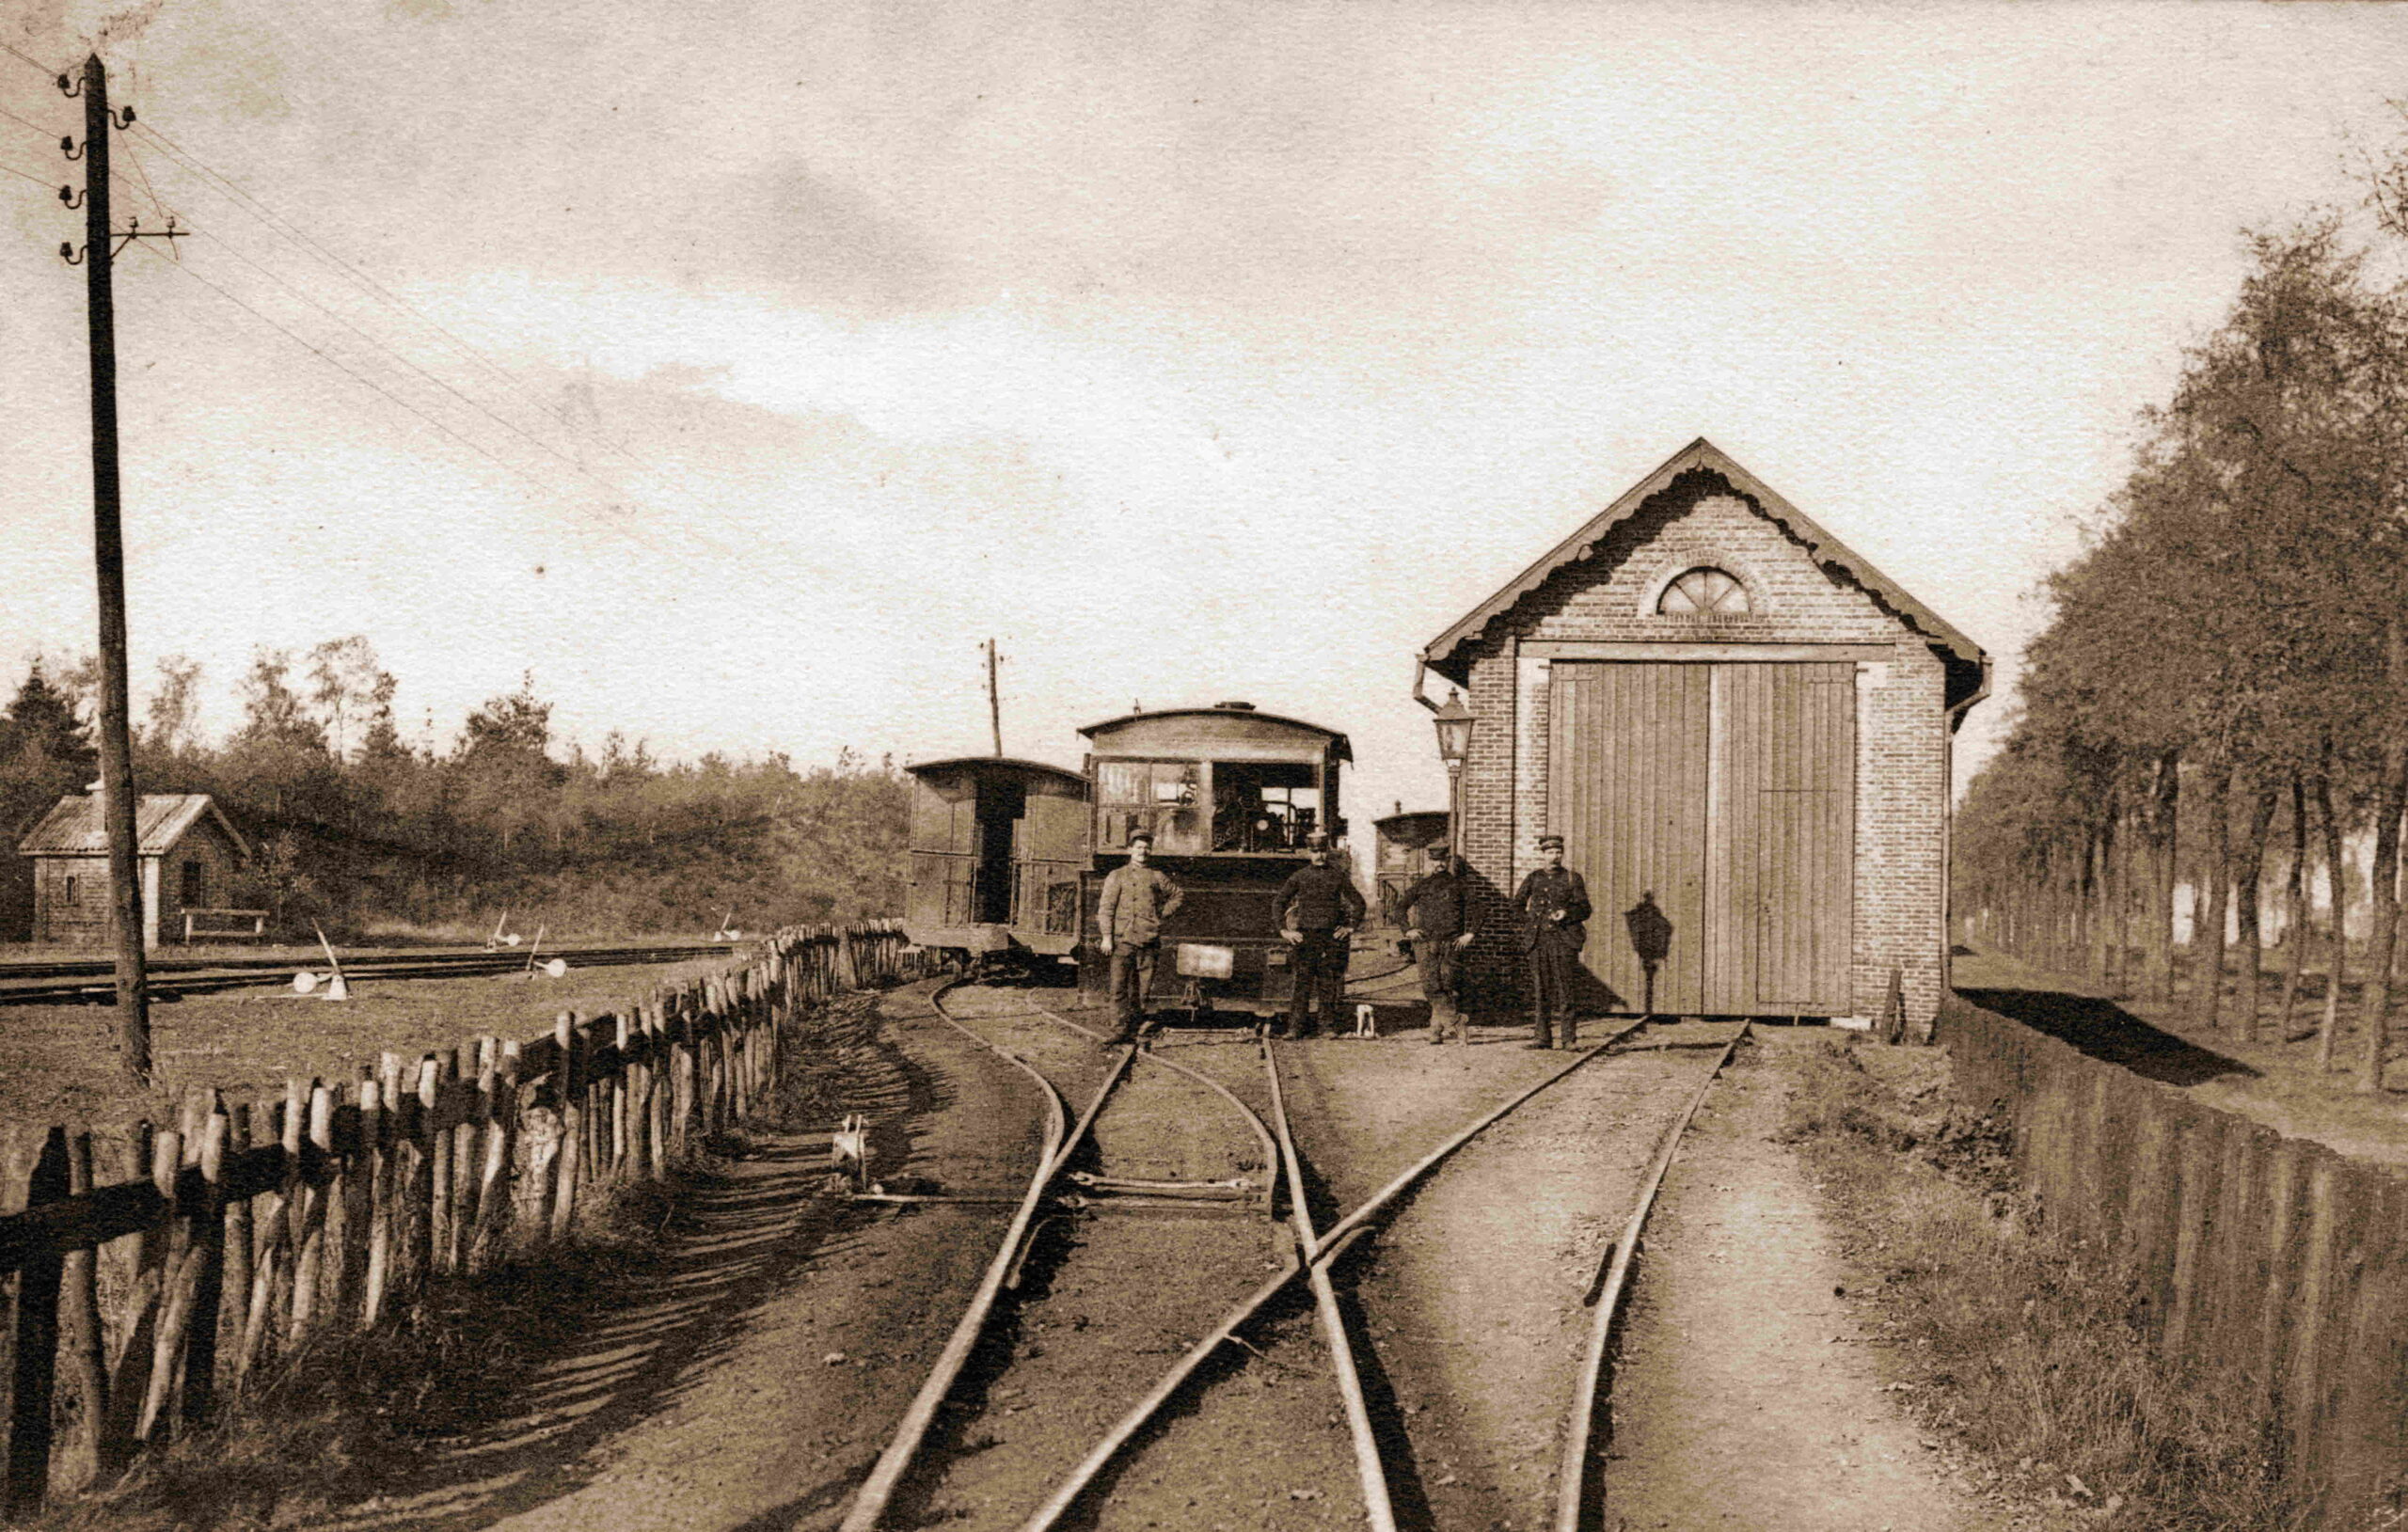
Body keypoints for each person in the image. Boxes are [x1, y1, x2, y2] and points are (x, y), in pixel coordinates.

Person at [1276, 830, 1365, 1038]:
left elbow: (1358, 902)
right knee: (1302, 985)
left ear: (1327, 852)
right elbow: (1278, 903)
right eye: (1315, 851)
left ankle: (1327, 1027)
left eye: (1323, 851)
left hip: (1330, 939)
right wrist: (1284, 931)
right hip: (1306, 938)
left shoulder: (1338, 876)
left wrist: (1350, 927)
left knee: (1328, 985)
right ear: (1309, 852)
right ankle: (1295, 1028)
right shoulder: (1300, 877)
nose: (1319, 856)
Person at [1097, 831, 1183, 1044]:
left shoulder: (1157, 876)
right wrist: (1107, 937)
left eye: (1146, 848)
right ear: (1130, 850)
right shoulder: (1116, 875)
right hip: (1122, 940)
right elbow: (1106, 908)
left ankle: (1135, 1027)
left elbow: (1177, 895)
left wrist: (1160, 914)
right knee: (1118, 988)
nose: (1142, 852)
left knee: (1142, 989)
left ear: (1150, 851)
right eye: (1138, 848)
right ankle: (1118, 1030)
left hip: (1148, 939)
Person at [1514, 832, 1591, 1049]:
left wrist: (1567, 913)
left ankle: (1569, 1039)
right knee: (1541, 990)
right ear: (1543, 855)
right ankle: (1542, 1037)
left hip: (1563, 942)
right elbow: (1517, 905)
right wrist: (1530, 922)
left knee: (1566, 990)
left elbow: (1585, 908)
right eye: (1550, 852)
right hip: (1538, 942)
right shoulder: (1534, 878)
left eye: (1558, 852)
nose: (1555, 856)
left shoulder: (1571, 878)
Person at [1397, 844, 1477, 1045]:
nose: (1439, 864)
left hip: (1451, 942)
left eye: (1443, 860)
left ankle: (1435, 1030)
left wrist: (1470, 933)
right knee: (1430, 986)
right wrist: (1408, 929)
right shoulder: (1422, 885)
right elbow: (1399, 908)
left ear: (1447, 861)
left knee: (1447, 985)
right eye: (1435, 860)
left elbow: (1479, 910)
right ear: (1429, 861)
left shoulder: (1459, 885)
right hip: (1424, 942)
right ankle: (1458, 1022)